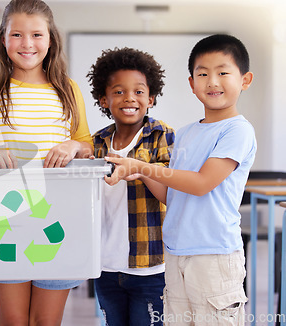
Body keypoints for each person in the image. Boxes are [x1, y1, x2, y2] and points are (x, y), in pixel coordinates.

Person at [0, 0, 93, 325]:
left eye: (36, 35)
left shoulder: (68, 90)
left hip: (59, 216)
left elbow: (87, 146)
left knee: (46, 322)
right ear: (3, 39)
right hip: (5, 218)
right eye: (16, 34)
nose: (27, 44)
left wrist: (73, 146)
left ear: (51, 40)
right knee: (14, 322)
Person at [106, 34, 255, 325]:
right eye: (203, 74)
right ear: (192, 84)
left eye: (223, 72)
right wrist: (141, 172)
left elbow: (201, 184)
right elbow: (170, 195)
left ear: (245, 80)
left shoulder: (238, 131)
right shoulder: (186, 133)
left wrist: (145, 167)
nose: (212, 81)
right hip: (175, 253)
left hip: (214, 255)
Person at [87, 47, 174, 325]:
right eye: (119, 91)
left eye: (138, 92)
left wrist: (139, 169)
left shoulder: (163, 136)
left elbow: (172, 194)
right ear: (104, 99)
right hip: (105, 265)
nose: (129, 99)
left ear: (151, 98)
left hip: (150, 268)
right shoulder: (95, 143)